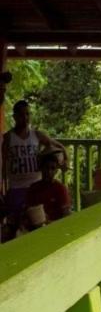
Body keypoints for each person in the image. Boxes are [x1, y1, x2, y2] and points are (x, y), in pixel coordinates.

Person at [1, 100, 65, 241]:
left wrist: (64, 161)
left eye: (28, 114)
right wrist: (2, 190)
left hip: (36, 185)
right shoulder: (8, 138)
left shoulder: (36, 135)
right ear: (15, 117)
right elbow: (3, 167)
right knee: (14, 225)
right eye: (22, 114)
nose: (25, 118)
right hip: (16, 188)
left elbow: (57, 146)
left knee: (37, 224)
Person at [24, 149, 71, 231]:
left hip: (55, 228)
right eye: (46, 168)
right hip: (35, 229)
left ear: (56, 171)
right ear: (41, 168)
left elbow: (66, 215)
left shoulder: (60, 189)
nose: (49, 171)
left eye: (52, 168)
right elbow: (28, 211)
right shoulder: (33, 188)